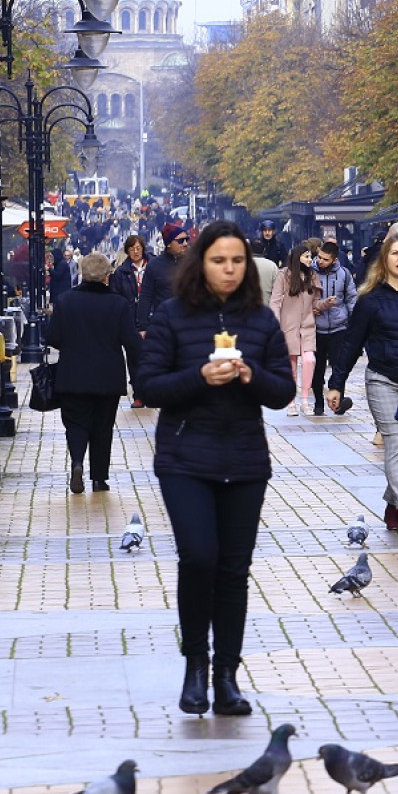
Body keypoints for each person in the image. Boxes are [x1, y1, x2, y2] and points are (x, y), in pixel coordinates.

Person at [137, 220, 294, 717]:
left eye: (237, 261)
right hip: (186, 457)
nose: (228, 269)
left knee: (233, 569)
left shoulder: (261, 321)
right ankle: (195, 665)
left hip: (244, 458)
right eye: (218, 260)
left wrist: (249, 375)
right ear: (199, 264)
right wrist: (201, 376)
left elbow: (283, 392)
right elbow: (150, 385)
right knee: (199, 557)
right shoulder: (171, 315)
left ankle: (226, 674)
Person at [326, 235, 398, 533]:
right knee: (396, 440)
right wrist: (336, 383)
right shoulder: (371, 299)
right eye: (396, 254)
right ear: (385, 260)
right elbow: (352, 343)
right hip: (383, 379)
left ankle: (393, 502)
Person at [48, 252, 141, 494]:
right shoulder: (119, 304)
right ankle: (99, 478)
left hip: (72, 374)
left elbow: (53, 338)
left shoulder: (65, 301)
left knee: (76, 424)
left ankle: (77, 461)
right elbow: (131, 342)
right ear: (107, 277)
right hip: (107, 376)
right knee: (102, 427)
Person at [269, 240, 321, 416]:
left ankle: (305, 399)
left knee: (309, 360)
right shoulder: (284, 275)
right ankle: (291, 401)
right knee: (290, 366)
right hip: (288, 326)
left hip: (307, 326)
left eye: (310, 256)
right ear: (297, 258)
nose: (310, 259)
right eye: (306, 256)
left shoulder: (313, 276)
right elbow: (275, 301)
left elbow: (316, 302)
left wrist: (325, 305)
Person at [311, 241, 356, 417]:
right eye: (319, 257)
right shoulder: (310, 272)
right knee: (317, 367)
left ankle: (339, 401)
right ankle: (319, 402)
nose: (320, 261)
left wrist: (354, 320)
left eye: (325, 259)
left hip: (339, 326)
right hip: (317, 327)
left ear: (334, 259)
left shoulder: (344, 274)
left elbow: (351, 297)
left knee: (339, 366)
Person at [143, 222, 187, 322]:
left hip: (189, 324)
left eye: (186, 239)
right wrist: (142, 326)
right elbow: (146, 297)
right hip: (163, 323)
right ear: (169, 244)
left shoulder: (193, 262)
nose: (185, 243)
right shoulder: (154, 265)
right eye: (180, 241)